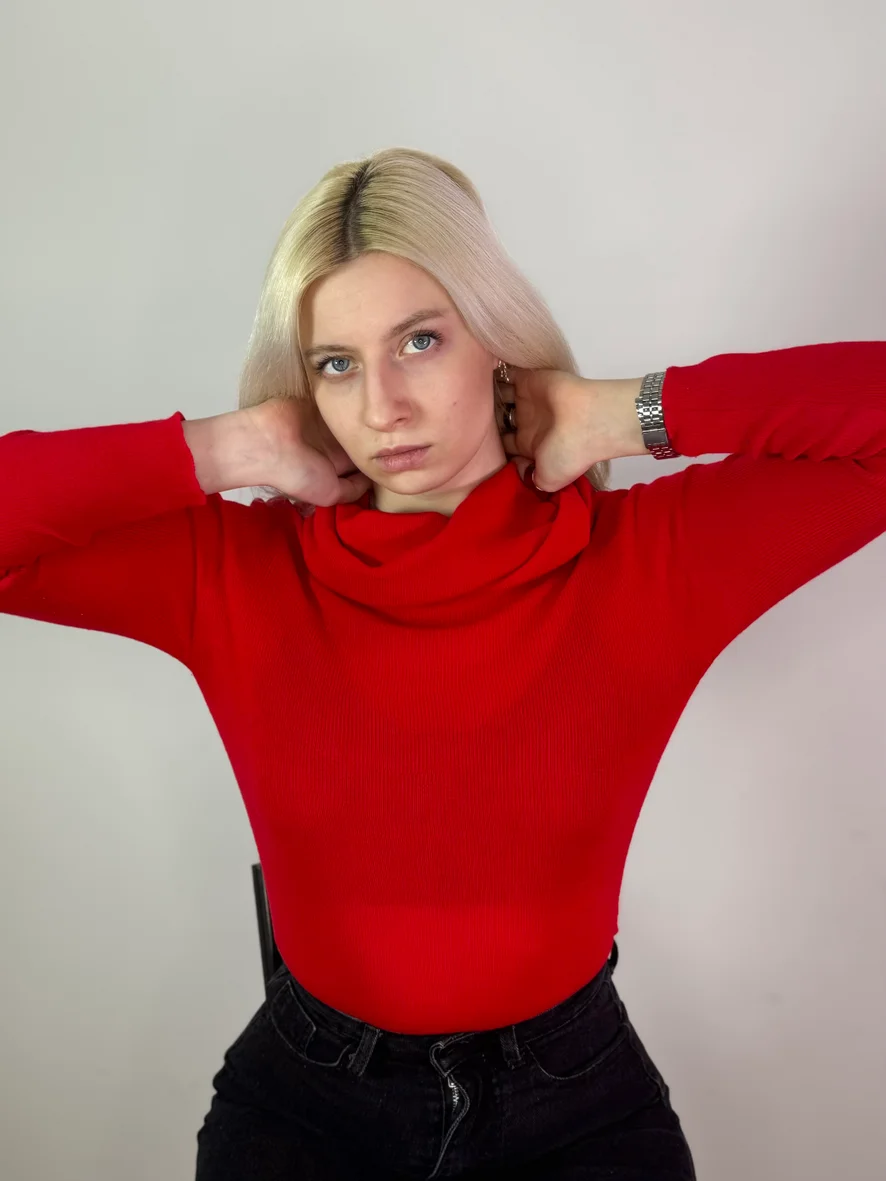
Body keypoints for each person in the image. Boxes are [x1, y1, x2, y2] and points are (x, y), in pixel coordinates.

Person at [2, 146, 884, 1181]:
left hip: (577, 1107)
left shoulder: (651, 560)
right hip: (307, 1106)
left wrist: (624, 412)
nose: (383, 406)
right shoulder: (231, 570)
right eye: (336, 364)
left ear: (495, 339)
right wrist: (227, 447)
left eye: (419, 341)